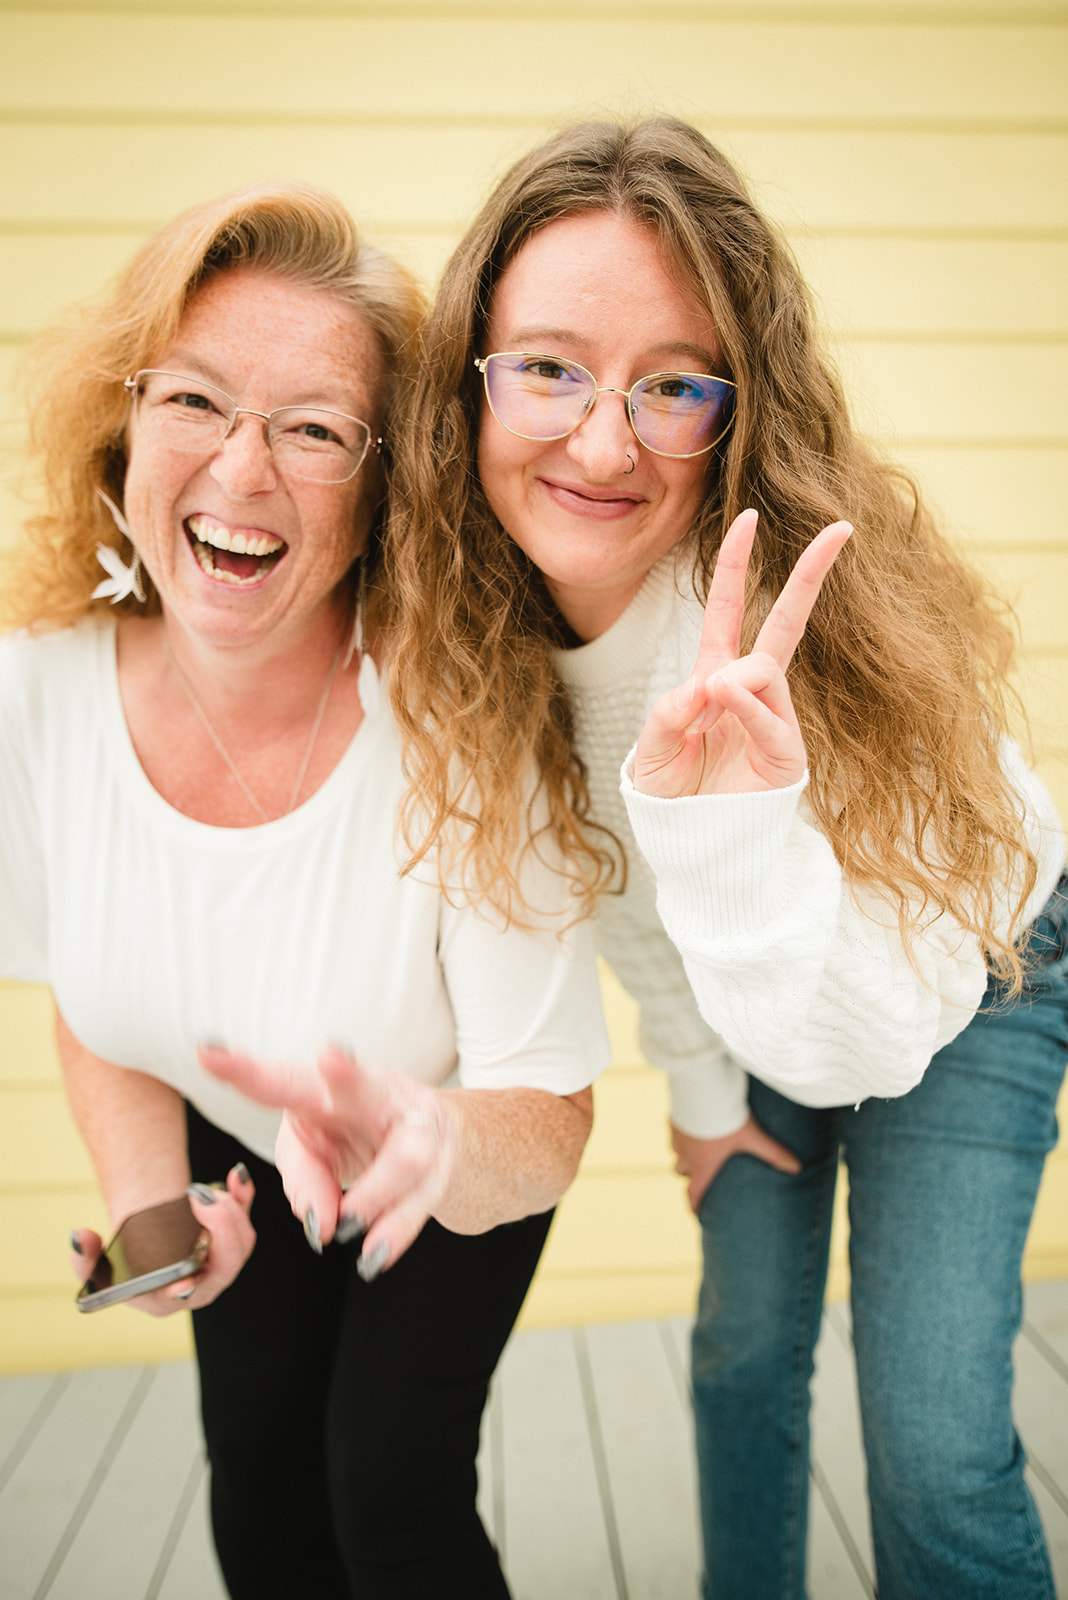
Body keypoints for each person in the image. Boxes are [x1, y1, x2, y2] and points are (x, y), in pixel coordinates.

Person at [377, 118, 1068, 1600]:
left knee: (934, 1441)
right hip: (753, 989)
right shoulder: (484, 614)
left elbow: (865, 1038)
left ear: (738, 406)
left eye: (673, 386)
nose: (602, 444)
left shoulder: (797, 633)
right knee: (743, 1349)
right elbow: (628, 904)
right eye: (549, 368)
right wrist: (700, 1100)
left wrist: (733, 831)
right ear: (468, 379)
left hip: (961, 981)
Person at [0, 182, 610, 1600]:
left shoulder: (465, 719)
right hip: (246, 1153)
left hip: (451, 1154)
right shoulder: (33, 693)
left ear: (386, 489)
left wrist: (435, 1140)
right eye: (194, 399)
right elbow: (97, 1000)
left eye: (317, 430)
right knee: (260, 1493)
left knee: (386, 1497)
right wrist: (158, 1216)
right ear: (123, 426)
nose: (241, 467)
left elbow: (548, 1116)